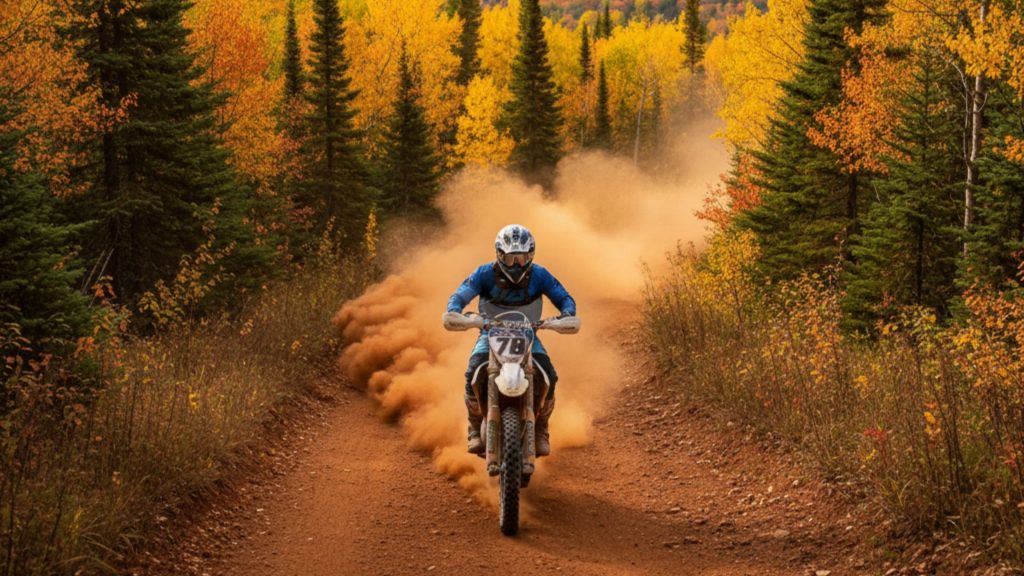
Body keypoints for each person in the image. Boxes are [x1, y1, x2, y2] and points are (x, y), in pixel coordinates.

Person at [446, 224, 577, 457]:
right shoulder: (483, 274)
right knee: (473, 370)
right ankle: (474, 428)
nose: (516, 264)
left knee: (549, 375)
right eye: (510, 258)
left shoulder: (540, 275)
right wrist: (456, 311)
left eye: (522, 257)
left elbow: (564, 297)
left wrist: (566, 315)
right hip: (490, 333)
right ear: (499, 254)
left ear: (531, 254)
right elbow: (460, 295)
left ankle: (541, 429)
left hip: (528, 334)